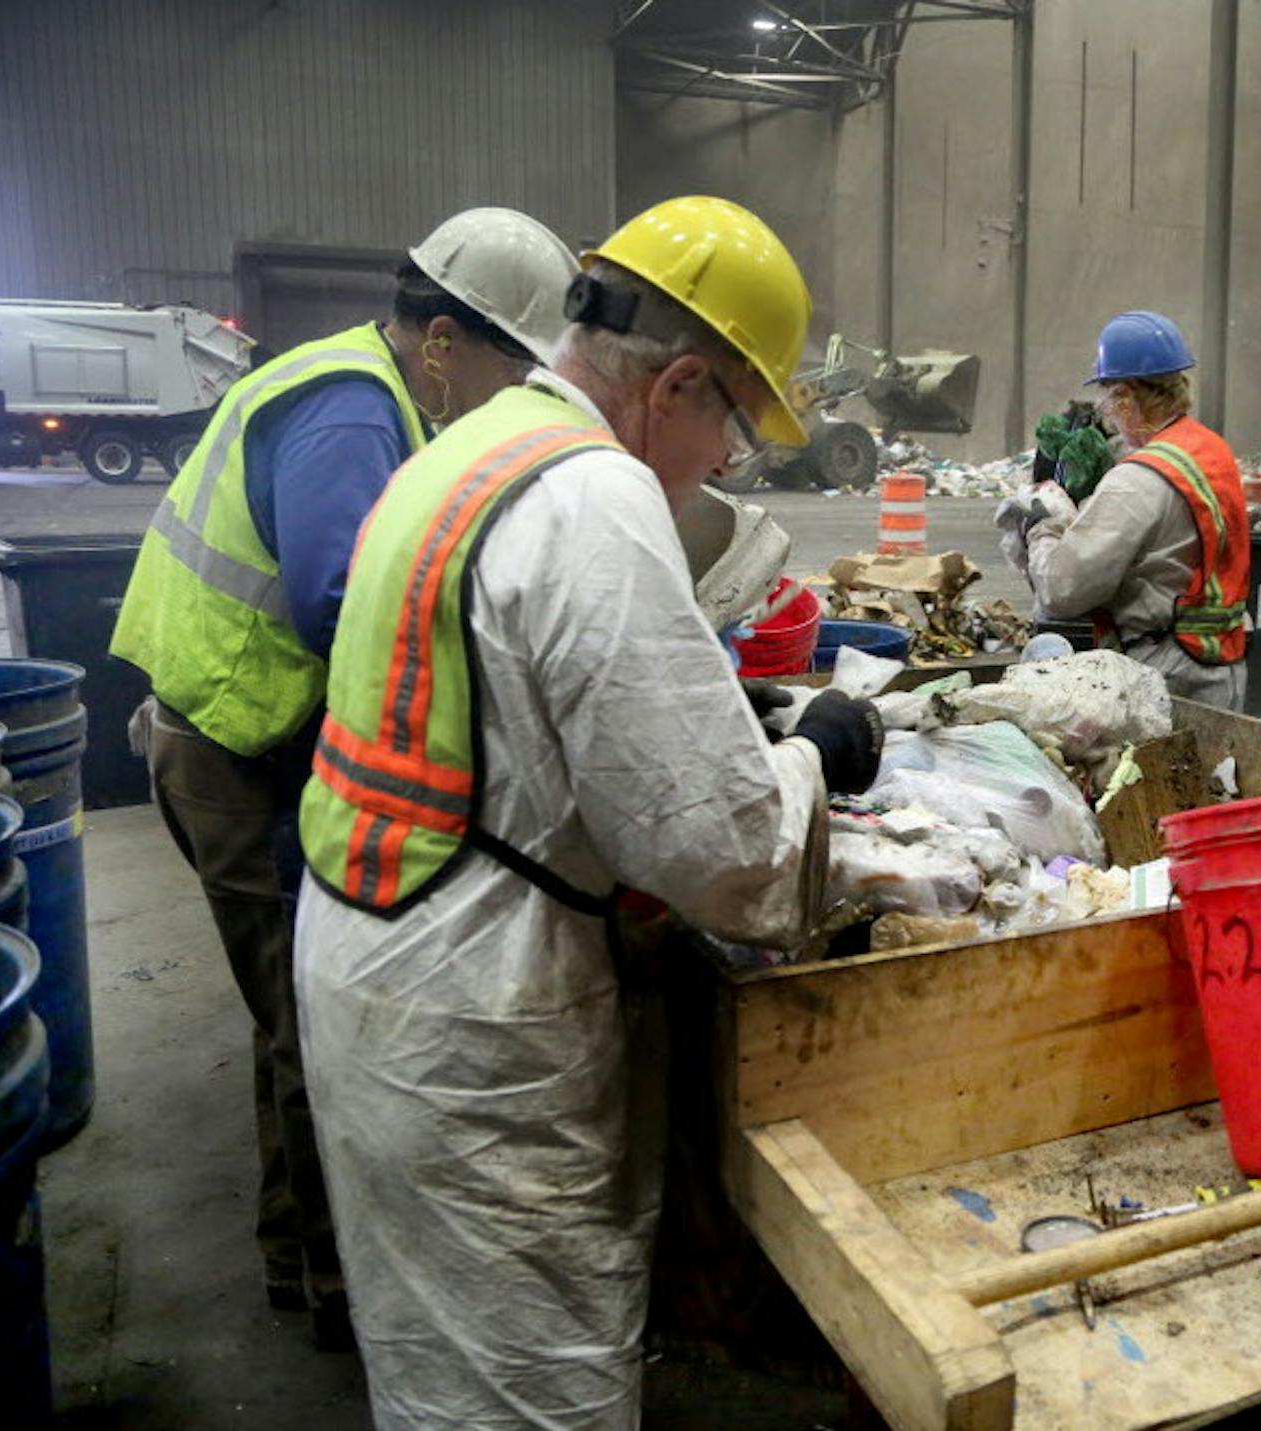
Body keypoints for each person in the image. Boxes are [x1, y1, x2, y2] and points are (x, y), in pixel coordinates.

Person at [292, 195, 885, 1428]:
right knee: (527, 1384)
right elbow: (720, 852)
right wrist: (815, 753)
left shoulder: (471, 445)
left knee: (439, 1362)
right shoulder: (595, 501)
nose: (726, 461)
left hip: (380, 951)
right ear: (675, 385)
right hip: (478, 1019)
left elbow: (532, 728)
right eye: (732, 421)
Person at [108, 207, 578, 1349]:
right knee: (313, 1025)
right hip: (231, 742)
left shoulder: (371, 393)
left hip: (250, 737)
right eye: (512, 364)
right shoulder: (349, 409)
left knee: (298, 1014)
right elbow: (343, 599)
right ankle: (331, 1286)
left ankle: (302, 1256)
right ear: (442, 343)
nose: (513, 392)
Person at [1013, 310, 1251, 710]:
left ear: (1126, 396)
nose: (1104, 407)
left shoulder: (1136, 482)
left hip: (1164, 675)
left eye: (1108, 395)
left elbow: (1062, 590)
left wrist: (1042, 527)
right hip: (1219, 667)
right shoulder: (1209, 449)